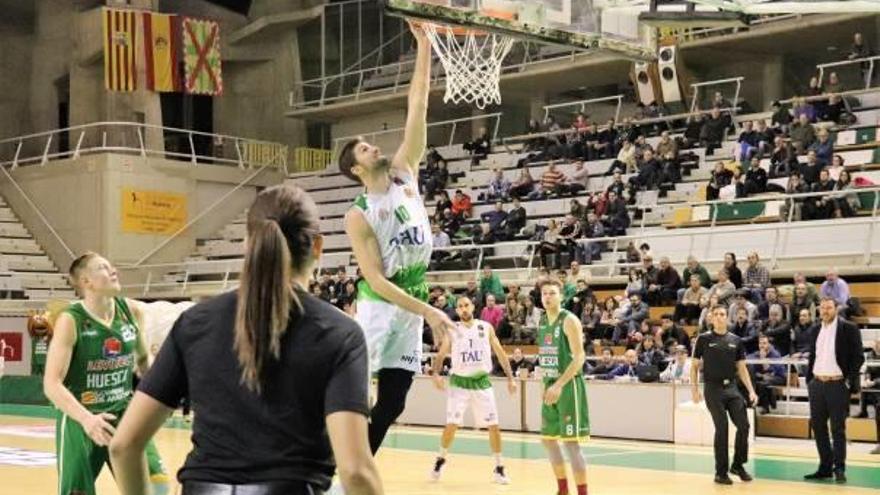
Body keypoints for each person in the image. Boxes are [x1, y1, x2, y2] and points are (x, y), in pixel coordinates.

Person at [108, 186, 383, 495]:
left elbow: (124, 445)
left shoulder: (194, 323)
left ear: (247, 246)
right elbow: (356, 472)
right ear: (317, 247)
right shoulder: (340, 333)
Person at [339, 23, 454, 454]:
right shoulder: (359, 214)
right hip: (379, 307)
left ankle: (354, 470)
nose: (374, 148)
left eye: (371, 144)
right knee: (351, 398)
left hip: (411, 298)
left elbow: (418, 105)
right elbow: (377, 279)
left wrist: (424, 45)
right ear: (356, 170)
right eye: (365, 150)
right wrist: (431, 312)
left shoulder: (406, 172)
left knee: (394, 400)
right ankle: (326, 466)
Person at [42, 253, 168, 495]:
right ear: (86, 281)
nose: (113, 270)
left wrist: (167, 386)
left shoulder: (132, 310)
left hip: (125, 413)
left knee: (157, 482)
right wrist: (88, 420)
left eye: (111, 266)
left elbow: (143, 362)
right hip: (81, 419)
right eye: (103, 267)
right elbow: (52, 384)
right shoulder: (71, 320)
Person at [430, 296, 517, 484]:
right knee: (452, 425)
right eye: (460, 306)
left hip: (481, 383)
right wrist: (436, 374)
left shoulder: (485, 327)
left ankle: (499, 467)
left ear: (473, 307)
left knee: (493, 426)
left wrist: (511, 378)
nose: (463, 309)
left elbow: (500, 352)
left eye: (466, 305)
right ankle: (440, 459)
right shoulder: (452, 329)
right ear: (457, 310)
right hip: (459, 383)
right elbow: (441, 353)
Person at [691, 305, 758, 485]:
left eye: (723, 314)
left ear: (727, 317)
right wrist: (694, 389)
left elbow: (742, 368)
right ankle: (720, 472)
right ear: (711, 318)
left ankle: (738, 465)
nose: (720, 317)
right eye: (716, 315)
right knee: (722, 429)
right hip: (713, 389)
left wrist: (751, 391)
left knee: (744, 425)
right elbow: (695, 366)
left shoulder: (736, 340)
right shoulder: (703, 339)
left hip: (732, 389)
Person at [536, 277, 590, 495]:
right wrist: (544, 384)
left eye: (552, 293)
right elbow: (544, 356)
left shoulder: (569, 320)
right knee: (548, 440)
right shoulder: (541, 320)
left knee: (571, 444)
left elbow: (579, 358)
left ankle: (583, 493)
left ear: (561, 296)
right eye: (544, 294)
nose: (547, 297)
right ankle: (562, 489)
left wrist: (558, 385)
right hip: (550, 385)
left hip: (568, 386)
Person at [803, 297, 865, 483]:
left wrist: (847, 381)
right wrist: (810, 380)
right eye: (822, 308)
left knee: (837, 429)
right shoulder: (815, 330)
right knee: (818, 428)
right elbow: (814, 355)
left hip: (838, 384)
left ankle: (839, 467)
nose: (825, 311)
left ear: (836, 309)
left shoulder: (849, 328)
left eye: (829, 308)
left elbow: (858, 357)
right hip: (817, 384)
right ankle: (824, 467)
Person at [748, 335, 787, 414]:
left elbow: (774, 371)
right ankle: (752, 404)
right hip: (765, 378)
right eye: (760, 343)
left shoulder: (775, 354)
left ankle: (766, 407)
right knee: (754, 380)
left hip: (779, 377)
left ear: (769, 344)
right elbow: (747, 359)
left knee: (762, 383)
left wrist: (763, 360)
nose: (762, 345)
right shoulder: (757, 354)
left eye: (764, 343)